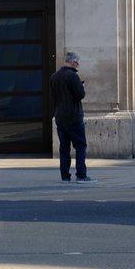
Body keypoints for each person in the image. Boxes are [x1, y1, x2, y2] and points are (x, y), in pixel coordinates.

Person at [50, 51, 93, 183]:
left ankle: (65, 176)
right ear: (73, 62)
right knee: (80, 146)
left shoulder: (55, 76)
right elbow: (80, 95)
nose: (78, 65)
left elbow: (54, 97)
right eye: (77, 62)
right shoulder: (73, 76)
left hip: (60, 116)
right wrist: (82, 86)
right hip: (73, 116)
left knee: (64, 147)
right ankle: (81, 175)